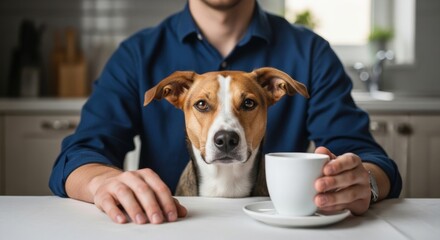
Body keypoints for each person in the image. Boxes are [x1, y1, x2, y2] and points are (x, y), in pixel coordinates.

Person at [49, 0, 402, 224]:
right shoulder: (137, 54)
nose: (225, 130)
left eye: (247, 104)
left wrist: (363, 182)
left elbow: (367, 156)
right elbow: (80, 153)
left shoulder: (310, 52)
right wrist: (102, 180)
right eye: (202, 106)